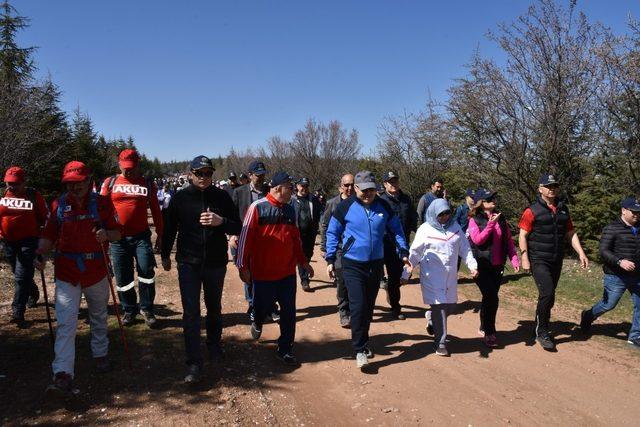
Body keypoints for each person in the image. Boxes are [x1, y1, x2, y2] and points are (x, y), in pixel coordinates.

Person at [36, 161, 122, 395]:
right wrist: (40, 252)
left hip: (96, 270)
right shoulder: (58, 205)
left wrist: (107, 234)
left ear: (88, 181)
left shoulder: (103, 204)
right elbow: (48, 235)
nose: (74, 187)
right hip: (67, 272)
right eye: (69, 183)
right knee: (66, 322)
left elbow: (118, 232)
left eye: (79, 182)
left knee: (98, 315)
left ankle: (100, 354)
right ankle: (62, 372)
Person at [161, 155, 241, 384]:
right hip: (189, 262)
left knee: (214, 308)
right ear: (190, 174)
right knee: (191, 313)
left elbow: (237, 225)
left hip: (215, 262)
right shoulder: (180, 198)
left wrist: (221, 222)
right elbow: (169, 229)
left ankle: (214, 346)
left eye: (208, 173)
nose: (204, 177)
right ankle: (193, 362)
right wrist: (166, 254)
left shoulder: (222, 196)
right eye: (200, 173)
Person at [325, 171, 409, 370]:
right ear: (355, 188)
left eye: (371, 189)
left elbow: (396, 230)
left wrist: (403, 251)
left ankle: (363, 337)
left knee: (368, 307)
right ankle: (360, 349)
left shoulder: (384, 206)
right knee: (358, 306)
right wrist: (330, 258)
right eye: (363, 190)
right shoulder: (345, 207)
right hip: (352, 264)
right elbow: (332, 232)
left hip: (375, 263)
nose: (368, 193)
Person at [236, 172, 313, 365]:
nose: (293, 190)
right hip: (263, 273)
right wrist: (242, 266)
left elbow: (295, 239)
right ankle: (257, 319)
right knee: (261, 308)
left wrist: (303, 262)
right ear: (277, 188)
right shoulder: (257, 208)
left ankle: (285, 348)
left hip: (287, 274)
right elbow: (245, 238)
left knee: (289, 313)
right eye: (289, 187)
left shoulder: (289, 210)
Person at [518, 174, 589, 351]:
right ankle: (542, 331)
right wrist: (524, 257)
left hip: (556, 259)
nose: (552, 189)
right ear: (540, 189)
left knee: (549, 296)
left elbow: (570, 233)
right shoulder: (532, 210)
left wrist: (581, 253)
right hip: (538, 259)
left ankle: (539, 322)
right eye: (548, 186)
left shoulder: (563, 209)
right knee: (547, 293)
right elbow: (523, 235)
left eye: (555, 185)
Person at [404, 199, 478, 356]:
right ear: (433, 213)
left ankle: (431, 318)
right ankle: (440, 342)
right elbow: (415, 253)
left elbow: (464, 248)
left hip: (450, 276)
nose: (445, 216)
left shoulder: (455, 227)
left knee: (451, 307)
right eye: (441, 214)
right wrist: (406, 272)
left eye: (447, 213)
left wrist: (472, 265)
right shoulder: (425, 229)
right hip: (432, 276)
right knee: (440, 309)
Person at [100, 149, 163, 328]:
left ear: (138, 165)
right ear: (119, 164)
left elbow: (156, 211)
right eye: (125, 167)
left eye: (132, 168)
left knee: (146, 272)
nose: (128, 171)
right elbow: (101, 209)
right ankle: (129, 309)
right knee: (122, 278)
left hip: (141, 237)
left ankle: (147, 309)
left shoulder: (147, 184)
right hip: (117, 239)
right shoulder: (110, 182)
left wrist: (161, 234)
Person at [580, 197, 640, 348]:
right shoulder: (612, 228)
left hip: (637, 275)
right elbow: (603, 251)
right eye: (633, 212)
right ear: (623, 211)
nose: (636, 215)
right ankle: (588, 316)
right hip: (615, 275)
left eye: (638, 212)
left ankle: (635, 336)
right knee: (609, 304)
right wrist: (620, 261)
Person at [467, 188, 520, 348]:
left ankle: (484, 326)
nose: (493, 200)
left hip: (497, 266)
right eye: (489, 199)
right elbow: (478, 241)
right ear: (481, 203)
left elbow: (509, 241)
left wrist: (514, 259)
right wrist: (490, 225)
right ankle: (490, 332)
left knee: (490, 297)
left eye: (494, 198)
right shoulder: (474, 219)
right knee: (491, 297)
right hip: (481, 266)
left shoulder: (501, 218)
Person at [0, 166, 48, 325]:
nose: (12, 186)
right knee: (18, 273)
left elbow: (45, 217)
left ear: (24, 182)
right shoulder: (2, 195)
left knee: (21, 277)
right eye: (9, 183)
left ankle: (18, 313)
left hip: (29, 241)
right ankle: (32, 293)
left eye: (15, 183)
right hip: (7, 242)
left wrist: (43, 240)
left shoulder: (33, 196)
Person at [231, 160, 277, 322]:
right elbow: (232, 217)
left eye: (263, 174)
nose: (261, 178)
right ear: (250, 175)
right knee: (248, 274)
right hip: (243, 239)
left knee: (269, 273)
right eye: (258, 175)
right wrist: (232, 235)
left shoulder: (269, 191)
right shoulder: (239, 192)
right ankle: (252, 305)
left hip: (266, 240)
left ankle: (271, 306)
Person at [379, 171, 417, 320]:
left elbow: (413, 218)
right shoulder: (380, 200)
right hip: (382, 244)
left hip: (400, 245)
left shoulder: (406, 199)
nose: (393, 184)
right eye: (390, 182)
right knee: (374, 276)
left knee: (395, 277)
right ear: (385, 184)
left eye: (395, 181)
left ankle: (395, 306)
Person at [320, 174, 354, 327]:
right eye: (346, 185)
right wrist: (325, 248)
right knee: (342, 279)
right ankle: (344, 312)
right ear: (341, 186)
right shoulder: (332, 203)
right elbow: (325, 225)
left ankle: (355, 310)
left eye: (352, 185)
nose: (350, 188)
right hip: (339, 247)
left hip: (355, 248)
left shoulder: (359, 203)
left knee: (354, 281)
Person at [291, 177, 322, 292]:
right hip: (297, 233)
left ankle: (305, 269)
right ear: (297, 186)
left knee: (309, 254)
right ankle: (304, 280)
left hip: (311, 233)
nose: (304, 188)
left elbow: (319, 212)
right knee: (301, 254)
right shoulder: (292, 199)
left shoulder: (313, 199)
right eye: (302, 186)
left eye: (306, 186)